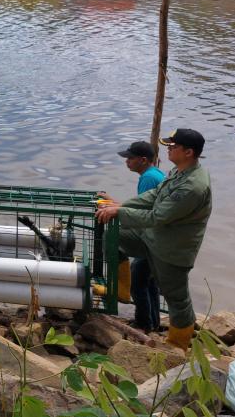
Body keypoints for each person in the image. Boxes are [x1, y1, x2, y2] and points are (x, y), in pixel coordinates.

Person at [96, 129, 212, 350]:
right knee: (115, 235)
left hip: (172, 249)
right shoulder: (178, 172)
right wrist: (122, 205)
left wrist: (119, 213)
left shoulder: (192, 186)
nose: (168, 149)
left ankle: (177, 346)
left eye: (172, 146)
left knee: (176, 297)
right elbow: (155, 195)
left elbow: (158, 216)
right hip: (154, 238)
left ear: (188, 152)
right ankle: (121, 289)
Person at [100, 141, 165, 332]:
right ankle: (154, 323)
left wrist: (116, 211)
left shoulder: (148, 178)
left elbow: (145, 214)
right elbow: (141, 205)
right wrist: (114, 203)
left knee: (138, 280)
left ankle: (143, 323)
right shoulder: (155, 174)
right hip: (159, 237)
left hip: (153, 237)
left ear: (143, 160)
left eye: (130, 158)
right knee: (147, 281)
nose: (126, 162)